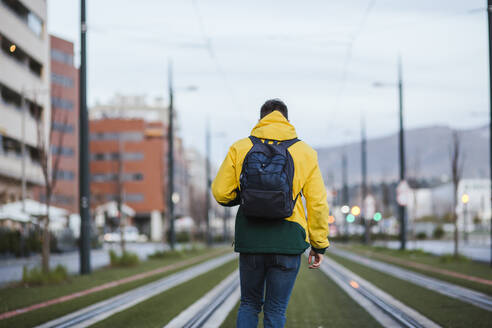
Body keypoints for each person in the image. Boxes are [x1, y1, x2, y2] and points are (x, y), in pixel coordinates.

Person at [211, 99, 330, 328]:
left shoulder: (240, 147)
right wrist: (319, 244)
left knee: (249, 304)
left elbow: (221, 192)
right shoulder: (305, 152)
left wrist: (244, 196)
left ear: (260, 120)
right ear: (287, 120)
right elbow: (317, 203)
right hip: (288, 240)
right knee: (276, 309)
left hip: (251, 239)